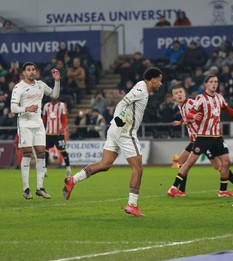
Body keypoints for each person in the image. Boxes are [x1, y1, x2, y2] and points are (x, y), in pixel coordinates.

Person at [63, 67, 163, 217]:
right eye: (160, 80)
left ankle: (73, 180)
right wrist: (117, 118)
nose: (161, 84)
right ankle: (132, 204)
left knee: (105, 164)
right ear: (153, 80)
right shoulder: (141, 90)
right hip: (125, 130)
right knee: (138, 168)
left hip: (115, 130)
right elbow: (122, 103)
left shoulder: (141, 88)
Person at [167, 74, 233, 197]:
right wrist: (184, 120)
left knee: (221, 164)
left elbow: (224, 110)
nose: (179, 95)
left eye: (216, 81)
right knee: (187, 161)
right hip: (201, 138)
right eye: (176, 93)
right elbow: (190, 115)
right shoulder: (188, 103)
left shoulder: (202, 100)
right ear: (206, 84)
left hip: (210, 137)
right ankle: (179, 190)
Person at [10, 62, 60, 199]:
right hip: (25, 124)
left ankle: (40, 187)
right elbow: (13, 108)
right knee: (26, 155)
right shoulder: (18, 87)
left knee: (41, 155)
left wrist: (57, 81)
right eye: (29, 70)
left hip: (38, 124)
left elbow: (55, 95)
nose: (32, 72)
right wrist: (26, 109)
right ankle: (26, 189)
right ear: (24, 73)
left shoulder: (41, 85)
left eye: (33, 69)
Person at [42, 98, 72, 177]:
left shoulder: (62, 105)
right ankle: (44, 170)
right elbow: (44, 119)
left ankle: (68, 169)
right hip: (48, 133)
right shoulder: (46, 106)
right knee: (45, 151)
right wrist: (41, 128)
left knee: (63, 151)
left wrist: (62, 129)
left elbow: (65, 118)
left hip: (58, 134)